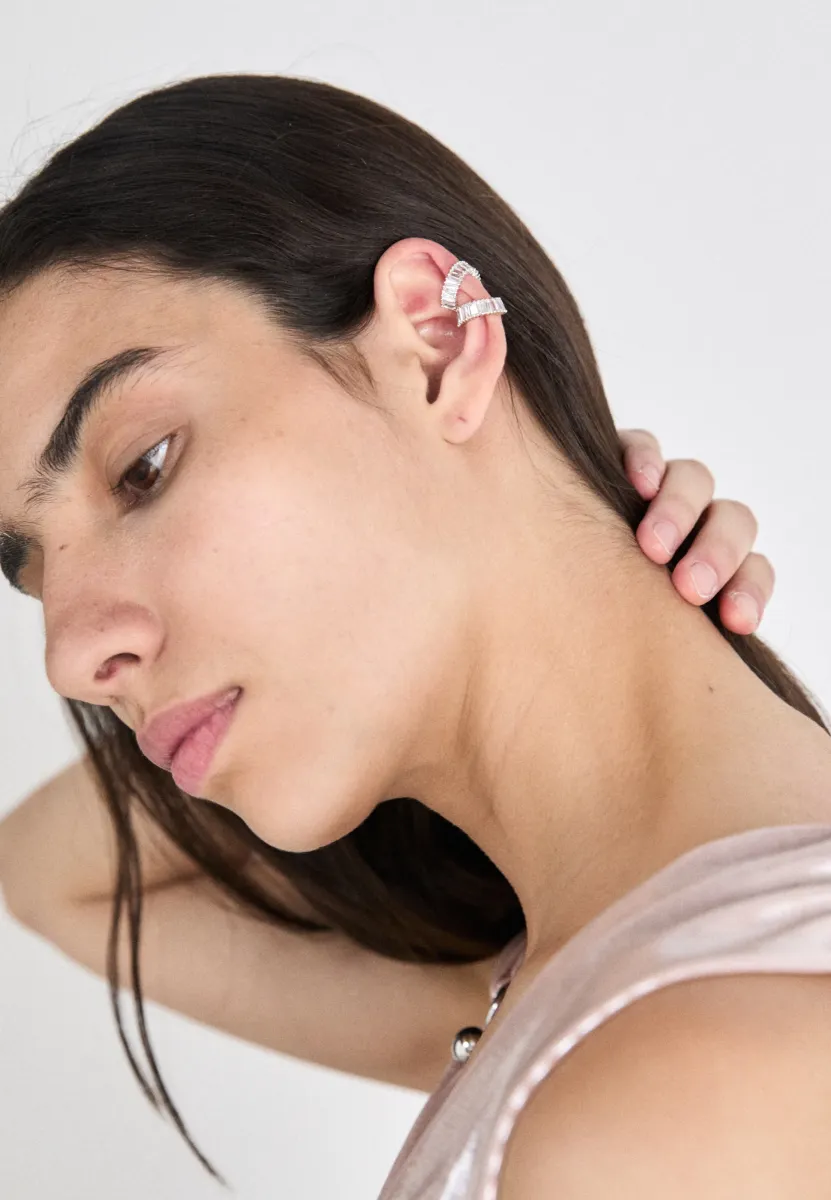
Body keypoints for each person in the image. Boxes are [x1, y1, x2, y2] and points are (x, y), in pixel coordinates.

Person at [0, 73, 828, 1199]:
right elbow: (42, 873)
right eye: (35, 572)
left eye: (143, 467)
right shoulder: (575, 983)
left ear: (435, 343)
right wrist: (574, 518)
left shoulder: (679, 1092)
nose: (67, 656)